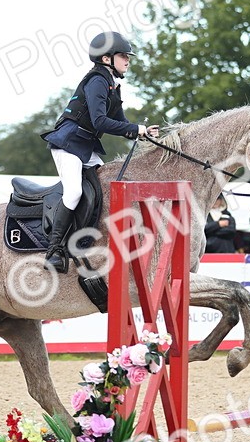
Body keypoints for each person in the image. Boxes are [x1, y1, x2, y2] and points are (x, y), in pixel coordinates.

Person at [39, 31, 160, 272]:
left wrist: (141, 133)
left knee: (102, 188)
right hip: (69, 144)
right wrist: (136, 128)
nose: (128, 60)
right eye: (124, 56)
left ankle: (87, 237)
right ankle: (54, 251)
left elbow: (121, 122)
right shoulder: (96, 80)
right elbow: (100, 122)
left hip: (86, 147)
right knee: (73, 192)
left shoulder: (112, 85)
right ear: (107, 59)